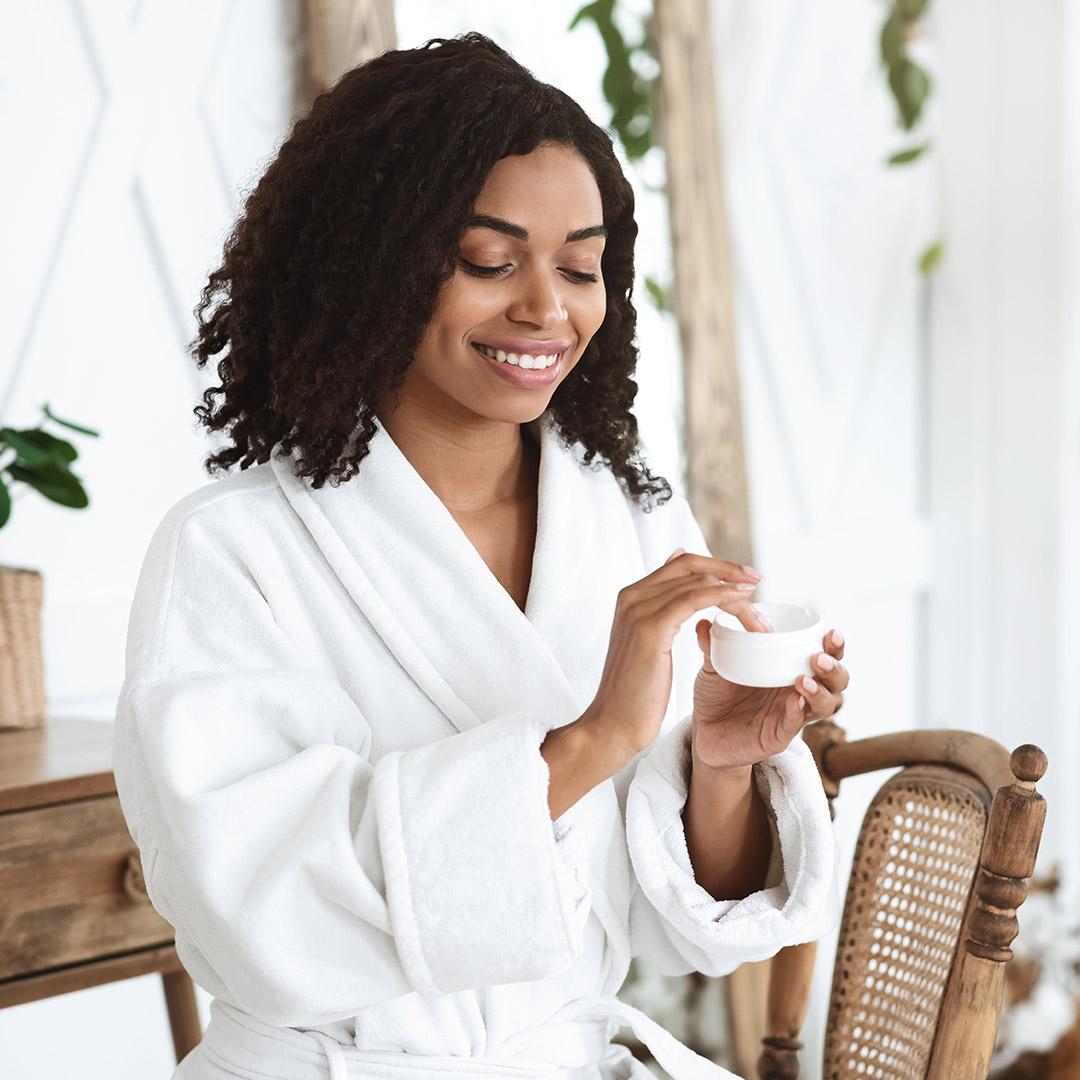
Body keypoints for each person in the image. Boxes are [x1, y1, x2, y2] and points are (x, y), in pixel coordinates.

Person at [112, 31, 848, 1080]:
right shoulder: (232, 552)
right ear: (378, 264)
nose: (547, 309)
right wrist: (591, 739)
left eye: (581, 266)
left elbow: (684, 922)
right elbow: (258, 915)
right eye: (489, 262)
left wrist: (719, 769)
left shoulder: (629, 523)